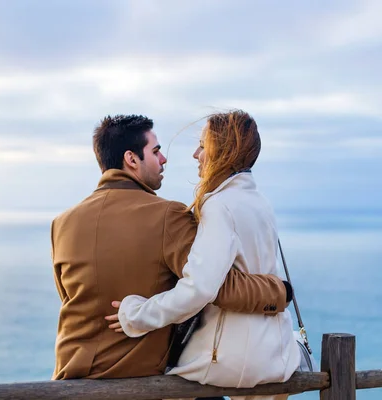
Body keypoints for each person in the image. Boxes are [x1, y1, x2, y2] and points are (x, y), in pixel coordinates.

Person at [51, 114, 292, 382]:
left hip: (69, 381)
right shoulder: (168, 216)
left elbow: (72, 298)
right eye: (155, 152)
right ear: (132, 159)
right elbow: (217, 287)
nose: (164, 159)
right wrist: (280, 290)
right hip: (138, 381)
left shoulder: (62, 224)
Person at [109, 111, 301, 400]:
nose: (196, 154)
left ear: (222, 150)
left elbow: (199, 288)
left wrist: (136, 314)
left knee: (157, 381)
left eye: (203, 145)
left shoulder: (219, 205)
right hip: (276, 355)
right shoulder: (260, 202)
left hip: (233, 360)